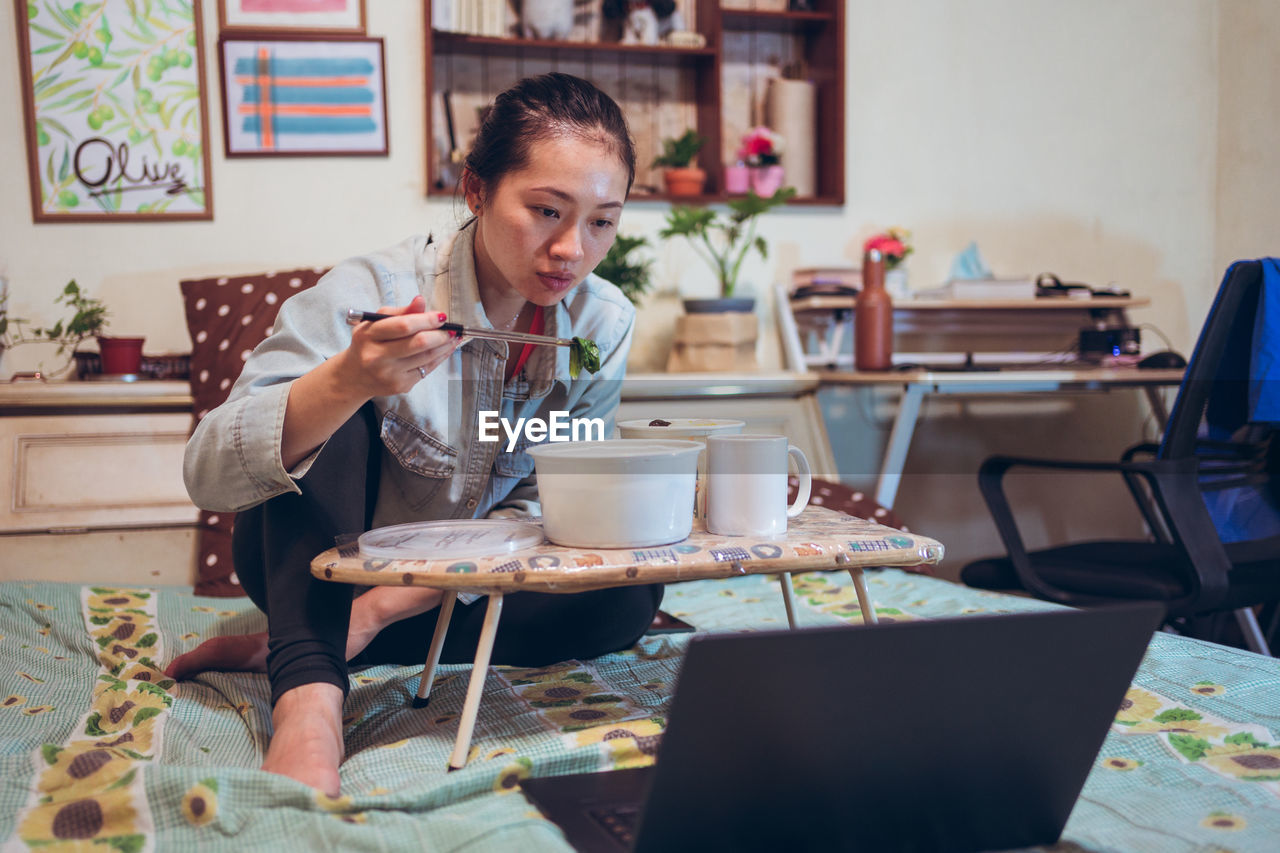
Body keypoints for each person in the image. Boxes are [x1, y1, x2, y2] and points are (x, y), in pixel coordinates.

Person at [166, 73, 658, 797]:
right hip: (305, 562)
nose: (570, 249)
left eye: (601, 222)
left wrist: (377, 610)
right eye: (546, 210)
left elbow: (548, 506)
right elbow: (206, 474)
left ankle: (314, 643)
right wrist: (347, 381)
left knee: (625, 599)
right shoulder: (371, 291)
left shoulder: (600, 327)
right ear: (476, 190)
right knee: (342, 395)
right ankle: (309, 696)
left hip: (437, 592)